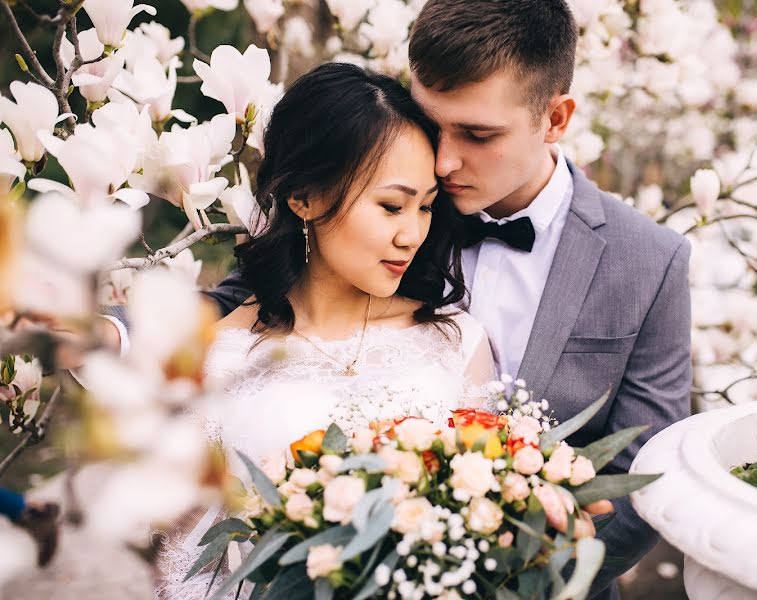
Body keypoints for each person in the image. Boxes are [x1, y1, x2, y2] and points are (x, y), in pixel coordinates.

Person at [184, 1, 692, 597]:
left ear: (555, 119)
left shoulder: (649, 262)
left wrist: (509, 578)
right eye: (434, 124)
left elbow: (641, 472)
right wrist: (118, 330)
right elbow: (273, 283)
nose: (445, 161)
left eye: (478, 135)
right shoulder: (397, 189)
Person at [153, 62, 496, 599]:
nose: (412, 234)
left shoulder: (454, 339)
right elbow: (186, 564)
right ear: (305, 197)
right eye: (391, 206)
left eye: (426, 207)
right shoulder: (223, 358)